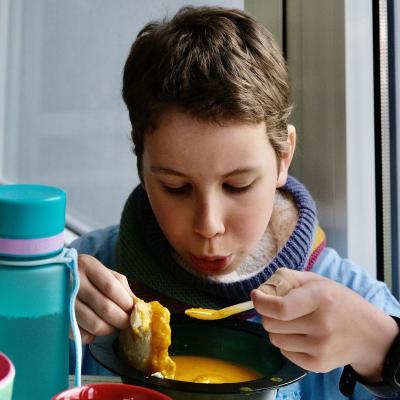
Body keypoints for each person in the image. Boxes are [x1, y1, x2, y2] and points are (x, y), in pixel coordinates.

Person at [69, 6, 400, 399]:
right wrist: (34, 311)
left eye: (238, 185)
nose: (208, 225)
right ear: (141, 166)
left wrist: (384, 350)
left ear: (283, 158)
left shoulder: (349, 300)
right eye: (176, 187)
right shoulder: (78, 281)